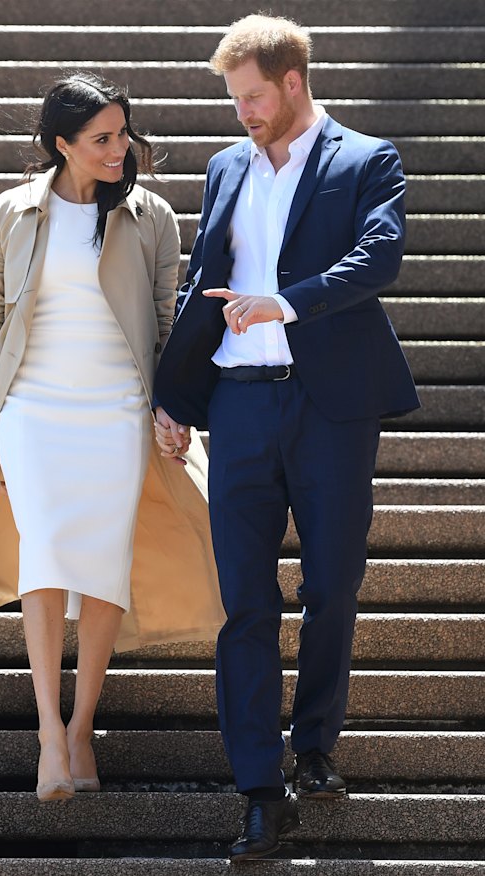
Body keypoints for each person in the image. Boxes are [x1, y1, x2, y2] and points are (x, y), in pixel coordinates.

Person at [154, 14, 420, 860]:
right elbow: (204, 278)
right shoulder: (227, 165)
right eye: (235, 99)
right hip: (238, 406)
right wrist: (174, 395)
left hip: (331, 405)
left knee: (333, 583)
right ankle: (260, 789)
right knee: (243, 601)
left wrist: (288, 300)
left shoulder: (365, 158)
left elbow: (382, 257)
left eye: (254, 97)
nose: (242, 114)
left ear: (294, 82)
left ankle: (314, 747)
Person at [0, 74, 224, 803]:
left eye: (124, 134)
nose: (121, 149)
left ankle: (84, 722)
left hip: (118, 409)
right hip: (31, 409)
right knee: (46, 558)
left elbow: (165, 317)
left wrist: (170, 407)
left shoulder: (151, 215)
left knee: (102, 567)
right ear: (60, 145)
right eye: (103, 139)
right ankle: (48, 733)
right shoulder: (10, 212)